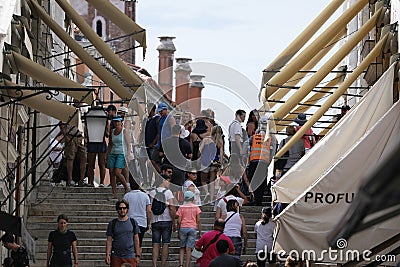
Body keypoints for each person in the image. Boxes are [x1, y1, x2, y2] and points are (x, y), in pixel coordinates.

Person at [149, 174, 176, 267]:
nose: (169, 183)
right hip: (166, 220)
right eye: (167, 181)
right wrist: (174, 222)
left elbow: (150, 208)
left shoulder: (152, 192)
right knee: (165, 243)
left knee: (155, 244)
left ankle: (154, 264)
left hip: (155, 221)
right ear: (163, 181)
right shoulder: (168, 193)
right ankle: (163, 264)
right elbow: (172, 208)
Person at [105, 199, 141, 267]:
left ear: (127, 209)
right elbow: (109, 240)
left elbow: (136, 239)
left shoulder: (133, 222)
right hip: (116, 256)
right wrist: (107, 254)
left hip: (130, 255)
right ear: (117, 209)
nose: (122, 210)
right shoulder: (112, 223)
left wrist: (137, 255)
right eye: (120, 208)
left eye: (124, 208)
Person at [176, 191, 202, 267]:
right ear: (193, 198)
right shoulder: (196, 207)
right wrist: (200, 231)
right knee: (189, 248)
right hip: (192, 228)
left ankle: (181, 264)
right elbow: (198, 220)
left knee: (182, 247)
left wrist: (178, 230)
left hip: (183, 227)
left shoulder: (181, 207)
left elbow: (179, 220)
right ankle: (187, 265)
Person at [107, 116, 131, 199]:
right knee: (111, 172)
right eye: (115, 122)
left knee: (117, 172)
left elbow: (128, 144)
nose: (116, 123)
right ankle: (114, 193)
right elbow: (110, 144)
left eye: (118, 122)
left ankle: (126, 187)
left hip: (121, 153)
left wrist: (128, 155)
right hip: (113, 153)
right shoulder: (112, 132)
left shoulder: (124, 132)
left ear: (121, 122)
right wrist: (107, 155)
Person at [123, 179, 152, 246]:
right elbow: (149, 211)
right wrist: (148, 223)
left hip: (129, 222)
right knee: (139, 243)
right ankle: (138, 256)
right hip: (141, 222)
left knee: (129, 242)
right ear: (139, 186)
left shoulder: (126, 196)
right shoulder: (145, 196)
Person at [58, 122, 87, 187]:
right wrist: (66, 137)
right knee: (70, 158)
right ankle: (70, 179)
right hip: (71, 136)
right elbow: (61, 125)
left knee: (84, 157)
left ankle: (82, 179)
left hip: (80, 136)